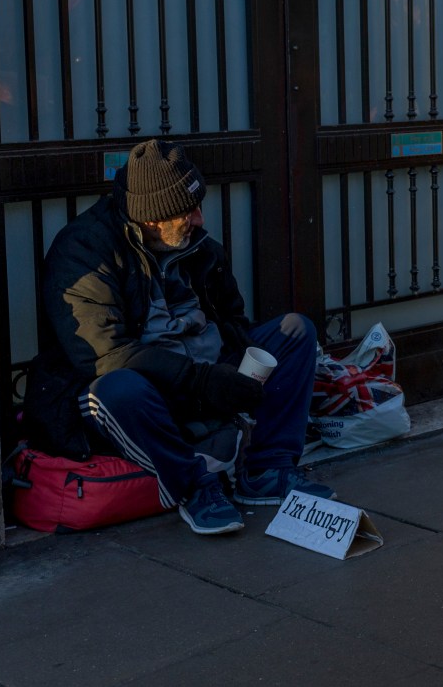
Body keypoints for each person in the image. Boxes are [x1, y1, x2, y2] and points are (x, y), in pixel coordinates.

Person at [24, 139, 335, 535]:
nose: (200, 219)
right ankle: (194, 487)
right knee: (115, 389)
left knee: (295, 331)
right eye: (189, 211)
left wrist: (237, 372)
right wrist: (203, 381)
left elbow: (233, 319)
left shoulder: (199, 247)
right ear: (153, 219)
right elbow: (106, 356)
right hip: (145, 385)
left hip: (201, 375)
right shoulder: (83, 252)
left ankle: (267, 470)